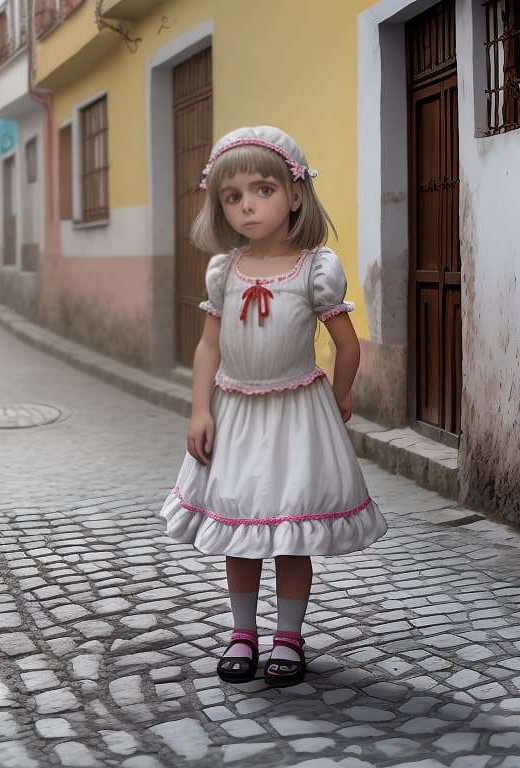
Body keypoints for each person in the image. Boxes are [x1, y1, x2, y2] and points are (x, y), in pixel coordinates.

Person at [159, 126, 388, 687]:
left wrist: (338, 393)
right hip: (235, 411)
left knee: (289, 530)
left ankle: (288, 636)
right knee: (240, 527)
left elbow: (347, 343)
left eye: (261, 190)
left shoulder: (315, 268)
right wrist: (199, 409)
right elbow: (209, 344)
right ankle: (243, 633)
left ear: (295, 193)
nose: (247, 206)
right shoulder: (224, 270)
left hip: (295, 412)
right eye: (232, 197)